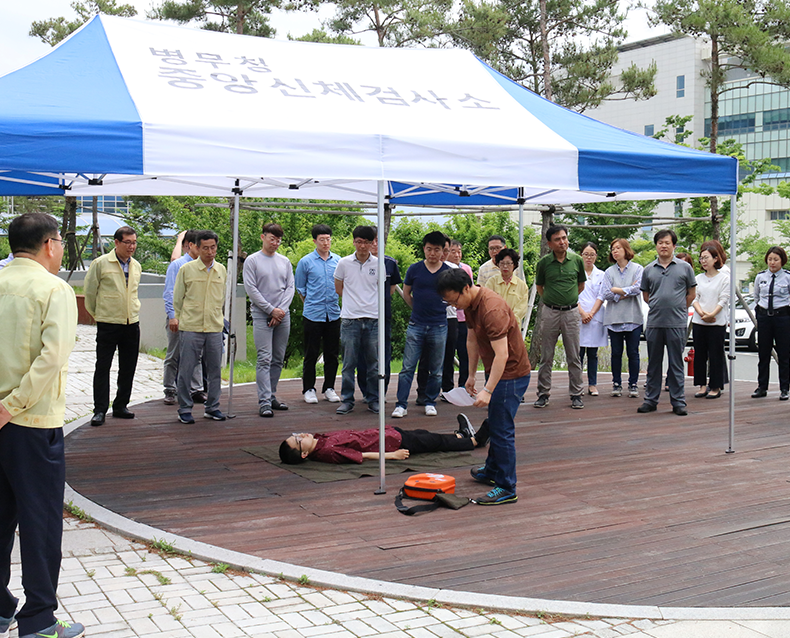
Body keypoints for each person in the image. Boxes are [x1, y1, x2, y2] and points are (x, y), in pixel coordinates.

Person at [0, 213, 84, 638]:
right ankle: (39, 621)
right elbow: (51, 358)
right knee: (40, 522)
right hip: (31, 423)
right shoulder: (55, 289)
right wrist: (10, 406)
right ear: (50, 244)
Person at [438, 268, 531, 506]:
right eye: (448, 302)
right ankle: (492, 470)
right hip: (497, 371)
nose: (453, 305)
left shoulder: (492, 309)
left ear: (466, 288)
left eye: (454, 299)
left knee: (501, 429)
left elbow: (502, 355)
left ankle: (507, 486)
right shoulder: (469, 305)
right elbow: (472, 339)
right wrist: (470, 375)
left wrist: (488, 390)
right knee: (495, 421)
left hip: (511, 374)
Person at [83, 226, 141, 427]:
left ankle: (121, 405)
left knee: (128, 366)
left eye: (134, 242)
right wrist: (99, 315)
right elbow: (90, 293)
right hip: (108, 323)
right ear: (116, 242)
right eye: (127, 242)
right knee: (103, 367)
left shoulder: (136, 266)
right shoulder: (101, 264)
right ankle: (100, 409)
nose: (131, 247)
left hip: (131, 322)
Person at [638, 229, 697, 416]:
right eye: (660, 242)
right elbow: (646, 296)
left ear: (674, 245)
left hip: (677, 323)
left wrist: (678, 307)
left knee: (676, 364)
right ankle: (650, 400)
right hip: (655, 322)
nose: (664, 246)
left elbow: (691, 294)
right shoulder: (648, 269)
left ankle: (678, 402)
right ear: (656, 245)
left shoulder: (685, 268)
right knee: (654, 364)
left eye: (667, 243)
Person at [392, 231, 450, 418]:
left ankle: (430, 400)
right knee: (408, 367)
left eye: (437, 250)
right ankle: (401, 404)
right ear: (423, 249)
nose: (432, 253)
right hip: (416, 324)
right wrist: (416, 308)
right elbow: (407, 294)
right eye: (429, 249)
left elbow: (454, 296)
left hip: (439, 325)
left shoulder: (448, 271)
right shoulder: (414, 269)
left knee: (436, 369)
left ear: (442, 251)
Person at [173, 230, 227, 424]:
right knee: (186, 369)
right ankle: (184, 408)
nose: (210, 251)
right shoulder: (186, 270)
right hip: (191, 326)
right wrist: (177, 318)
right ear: (196, 247)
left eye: (213, 247)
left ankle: (212, 407)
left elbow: (221, 298)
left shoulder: (221, 270)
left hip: (214, 326)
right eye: (205, 248)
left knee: (214, 370)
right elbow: (177, 298)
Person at [243, 223, 295, 418]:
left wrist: (280, 310)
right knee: (264, 357)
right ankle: (264, 401)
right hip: (261, 313)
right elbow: (251, 289)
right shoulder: (252, 261)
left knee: (278, 358)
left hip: (283, 313)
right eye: (272, 239)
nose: (275, 243)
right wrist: (270, 310)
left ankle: (271, 394)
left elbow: (290, 287)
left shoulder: (285, 261)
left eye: (278, 240)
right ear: (262, 237)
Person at [279, 418, 489, 465]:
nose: (301, 435)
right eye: (298, 440)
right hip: (391, 444)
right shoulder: (328, 452)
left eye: (297, 434)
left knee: (425, 434)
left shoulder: (319, 440)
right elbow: (361, 455)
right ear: (303, 453)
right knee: (434, 442)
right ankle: (476, 441)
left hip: (386, 433)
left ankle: (462, 436)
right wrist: (392, 456)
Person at [534, 225, 586, 410]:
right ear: (549, 243)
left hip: (571, 312)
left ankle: (576, 394)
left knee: (574, 355)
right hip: (550, 312)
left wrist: (568, 298)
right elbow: (540, 287)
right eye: (557, 239)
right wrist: (552, 299)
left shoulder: (577, 260)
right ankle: (543, 394)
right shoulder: (544, 263)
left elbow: (581, 285)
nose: (562, 242)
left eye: (564, 238)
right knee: (546, 355)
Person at [333, 226, 379, 415]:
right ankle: (347, 399)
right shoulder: (343, 263)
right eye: (359, 241)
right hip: (350, 319)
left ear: (371, 243)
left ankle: (374, 399)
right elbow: (338, 288)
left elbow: (383, 289)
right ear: (353, 242)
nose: (362, 246)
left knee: (373, 364)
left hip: (373, 319)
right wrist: (354, 302)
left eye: (366, 242)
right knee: (348, 363)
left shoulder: (378, 264)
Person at [295, 224, 341, 405]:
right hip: (313, 314)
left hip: (333, 314)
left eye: (328, 239)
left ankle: (329, 387)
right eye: (322, 239)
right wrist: (310, 305)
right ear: (315, 241)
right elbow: (301, 288)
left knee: (332, 353)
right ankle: (308, 388)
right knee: (311, 353)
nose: (325, 242)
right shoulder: (306, 262)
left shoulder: (338, 260)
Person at [357, 230, 402, 397]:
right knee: (363, 354)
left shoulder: (389, 263)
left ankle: (381, 391)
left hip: (383, 316)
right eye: (372, 241)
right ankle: (366, 391)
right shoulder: (356, 262)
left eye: (378, 241)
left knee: (384, 353)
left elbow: (390, 290)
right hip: (361, 315)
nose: (375, 244)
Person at [162, 230, 204, 406]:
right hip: (179, 317)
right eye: (201, 246)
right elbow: (169, 292)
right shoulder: (177, 265)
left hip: (198, 318)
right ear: (190, 245)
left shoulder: (206, 265)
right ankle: (170, 389)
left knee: (197, 355)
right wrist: (172, 316)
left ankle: (196, 389)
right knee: (174, 354)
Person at [600, 238, 644, 399]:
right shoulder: (609, 272)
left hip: (633, 317)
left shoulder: (638, 269)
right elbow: (605, 293)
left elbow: (638, 288)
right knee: (616, 353)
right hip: (614, 318)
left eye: (618, 248)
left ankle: (633, 384)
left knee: (633, 352)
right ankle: (616, 383)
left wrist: (617, 290)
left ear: (626, 249)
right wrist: (624, 292)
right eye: (612, 249)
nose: (615, 251)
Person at [752, 246, 790, 400]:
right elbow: (756, 297)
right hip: (764, 318)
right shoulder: (761, 277)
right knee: (763, 354)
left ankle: (784, 388)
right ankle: (762, 387)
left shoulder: (787, 277)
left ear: (782, 261)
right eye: (770, 259)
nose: (772, 263)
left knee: (784, 354)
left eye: (776, 259)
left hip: (782, 317)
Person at [692, 244, 730, 400]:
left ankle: (715, 386)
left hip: (717, 322)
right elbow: (694, 298)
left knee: (716, 354)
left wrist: (712, 314)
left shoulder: (724, 278)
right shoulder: (697, 278)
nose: (703, 261)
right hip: (699, 321)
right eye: (701, 258)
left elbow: (723, 300)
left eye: (706, 257)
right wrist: (702, 314)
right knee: (699, 354)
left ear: (716, 259)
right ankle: (701, 385)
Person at [577, 242, 606, 396]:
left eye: (592, 254)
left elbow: (602, 295)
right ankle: (577, 384)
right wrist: (582, 313)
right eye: (586, 254)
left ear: (596, 256)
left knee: (593, 353)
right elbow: (573, 294)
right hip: (578, 315)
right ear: (581, 255)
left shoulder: (602, 274)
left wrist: (591, 313)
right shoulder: (575, 272)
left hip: (595, 316)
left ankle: (592, 384)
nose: (589, 257)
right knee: (578, 353)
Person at [447, 240, 474, 389]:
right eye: (453, 251)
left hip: (464, 318)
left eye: (459, 251)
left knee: (465, 353)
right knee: (448, 354)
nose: (457, 255)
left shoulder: (466, 269)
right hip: (449, 318)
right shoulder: (444, 270)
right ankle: (448, 387)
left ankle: (464, 385)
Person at [485, 248, 529, 326]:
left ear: (514, 265)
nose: (505, 266)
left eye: (509, 263)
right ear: (498, 264)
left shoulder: (522, 286)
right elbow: (487, 303)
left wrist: (509, 319)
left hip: (513, 326)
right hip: (494, 324)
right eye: (502, 263)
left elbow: (522, 308)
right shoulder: (491, 282)